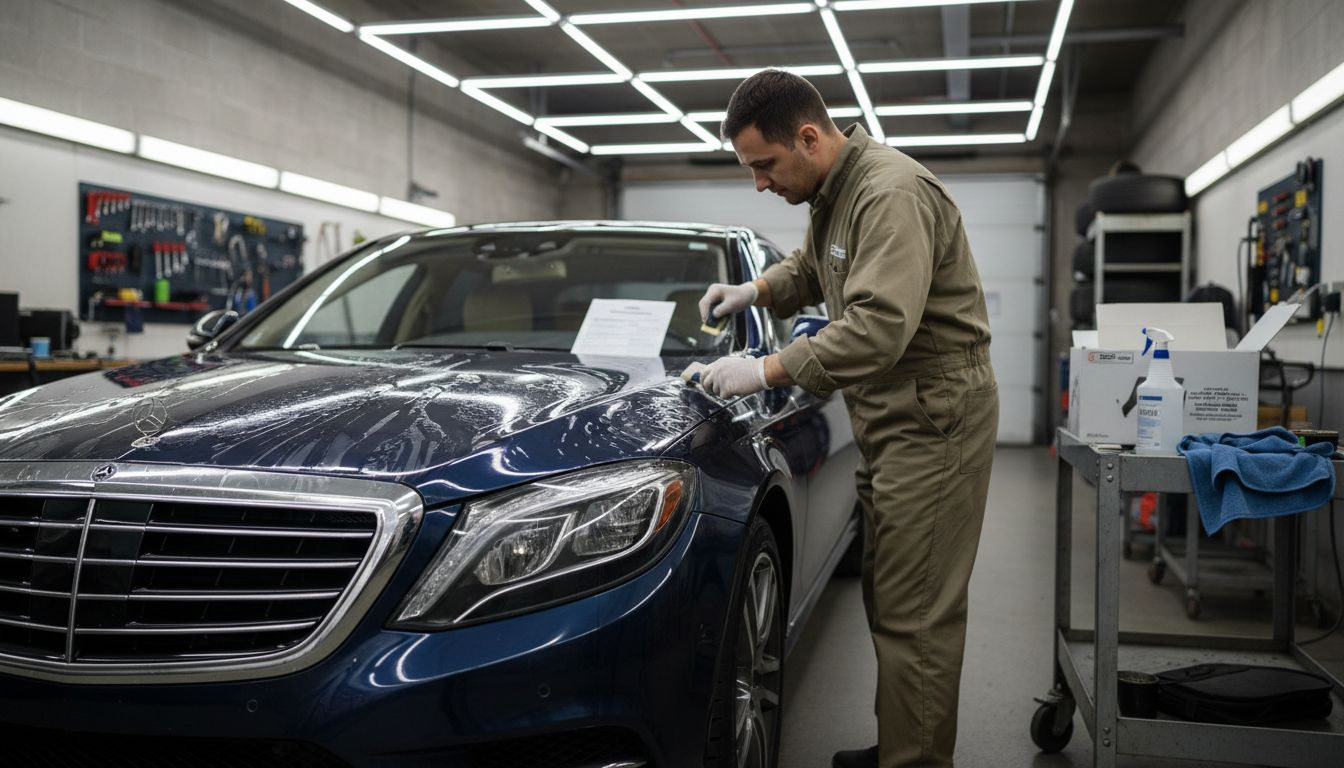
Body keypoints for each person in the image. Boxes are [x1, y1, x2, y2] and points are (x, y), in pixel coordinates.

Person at [695, 70, 999, 768]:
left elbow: (878, 328)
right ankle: (903, 745)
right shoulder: (835, 191)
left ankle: (915, 762)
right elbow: (814, 266)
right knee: (892, 594)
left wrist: (766, 370)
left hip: (932, 418)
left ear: (808, 137)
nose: (760, 184)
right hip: (895, 414)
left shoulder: (889, 193)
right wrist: (755, 290)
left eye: (765, 165)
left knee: (916, 610)